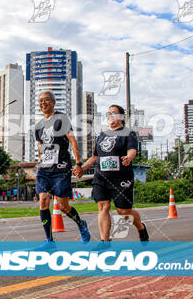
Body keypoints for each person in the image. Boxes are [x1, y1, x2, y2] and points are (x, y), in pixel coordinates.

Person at [75, 104, 148, 247]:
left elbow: (132, 150)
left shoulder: (128, 133)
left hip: (121, 178)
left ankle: (140, 226)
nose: (110, 116)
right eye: (108, 113)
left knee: (123, 211)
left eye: (114, 113)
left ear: (121, 117)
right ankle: (105, 241)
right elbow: (95, 157)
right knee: (103, 207)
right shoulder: (102, 135)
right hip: (101, 177)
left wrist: (129, 158)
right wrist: (83, 168)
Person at [34, 90, 90, 248]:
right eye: (40, 101)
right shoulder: (38, 126)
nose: (43, 103)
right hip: (44, 170)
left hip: (61, 169)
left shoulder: (61, 118)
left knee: (64, 206)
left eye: (46, 100)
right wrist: (40, 161)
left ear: (53, 102)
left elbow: (72, 140)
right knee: (43, 202)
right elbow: (40, 147)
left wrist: (78, 163)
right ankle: (49, 240)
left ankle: (81, 224)